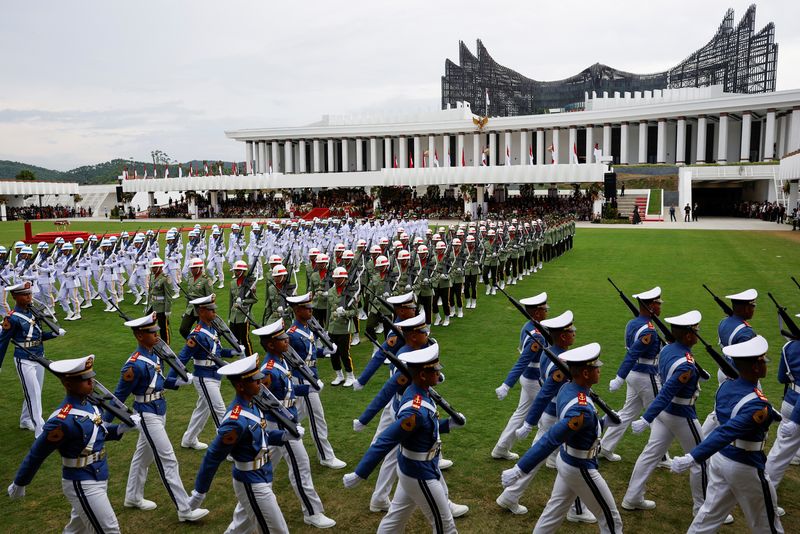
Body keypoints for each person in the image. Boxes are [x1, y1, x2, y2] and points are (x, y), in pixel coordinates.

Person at [343, 343, 467, 533]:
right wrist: (359, 473)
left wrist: (448, 424)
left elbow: (426, 427)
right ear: (422, 375)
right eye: (434, 370)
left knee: (394, 521)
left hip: (415, 468)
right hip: (420, 473)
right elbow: (385, 440)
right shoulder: (414, 409)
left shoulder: (421, 393)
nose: (438, 373)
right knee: (445, 525)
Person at [501, 342, 624, 533]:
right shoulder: (580, 407)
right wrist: (519, 470)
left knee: (553, 513)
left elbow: (583, 428)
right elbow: (550, 439)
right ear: (585, 373)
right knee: (611, 519)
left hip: (568, 459)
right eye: (596, 368)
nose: (599, 370)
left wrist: (603, 422)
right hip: (580, 465)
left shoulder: (569, 389)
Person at [7, 355, 137, 533]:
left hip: (98, 473)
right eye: (85, 380)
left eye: (91, 377)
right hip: (81, 481)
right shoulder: (61, 420)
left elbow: (94, 436)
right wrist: (20, 482)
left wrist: (120, 429)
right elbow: (37, 453)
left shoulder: (90, 404)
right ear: (68, 385)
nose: (91, 382)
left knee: (76, 530)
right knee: (110, 530)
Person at [623, 310, 731, 523]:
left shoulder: (668, 350)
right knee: (701, 459)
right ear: (689, 335)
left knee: (650, 454)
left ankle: (632, 497)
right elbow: (666, 392)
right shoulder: (685, 364)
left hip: (666, 413)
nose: (698, 334)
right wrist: (646, 419)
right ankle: (702, 508)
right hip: (681, 413)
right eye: (696, 331)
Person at [673, 336, 784, 533]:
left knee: (708, 516)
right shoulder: (758, 404)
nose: (766, 366)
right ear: (756, 368)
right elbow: (727, 431)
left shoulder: (726, 386)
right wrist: (692, 457)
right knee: (767, 523)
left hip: (721, 459)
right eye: (763, 362)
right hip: (746, 464)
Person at [107, 312, 208, 522]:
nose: (157, 335)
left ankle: (133, 496)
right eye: (152, 333)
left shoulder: (153, 354)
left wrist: (180, 381)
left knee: (142, 456)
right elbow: (118, 396)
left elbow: (157, 384)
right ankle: (184, 509)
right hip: (146, 414)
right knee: (168, 459)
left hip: (159, 409)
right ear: (139, 336)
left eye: (156, 332)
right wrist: (104, 423)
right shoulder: (133, 365)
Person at [189, 355, 295, 533]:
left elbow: (259, 435)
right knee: (277, 530)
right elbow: (212, 457)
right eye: (255, 381)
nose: (260, 384)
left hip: (263, 473)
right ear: (240, 386)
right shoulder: (234, 421)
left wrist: (284, 436)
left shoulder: (252, 403)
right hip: (251, 481)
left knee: (240, 529)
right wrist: (199, 493)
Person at [253, 319, 336, 528]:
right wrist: (288, 424)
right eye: (281, 339)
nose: (287, 340)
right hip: (281, 425)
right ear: (271, 345)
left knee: (263, 469)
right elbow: (266, 403)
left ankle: (250, 502)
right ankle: (312, 512)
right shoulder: (269, 370)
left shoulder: (281, 361)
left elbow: (287, 393)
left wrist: (309, 389)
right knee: (301, 467)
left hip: (286, 422)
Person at [600, 287, 668, 464]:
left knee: (627, 413)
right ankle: (660, 456)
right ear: (652, 306)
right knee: (658, 415)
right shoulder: (648, 330)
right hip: (647, 376)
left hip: (634, 375)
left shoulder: (633, 324)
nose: (661, 307)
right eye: (658, 304)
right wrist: (618, 378)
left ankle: (605, 447)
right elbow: (632, 354)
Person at [173, 294, 243, 450]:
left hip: (215, 375)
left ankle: (189, 439)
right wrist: (172, 378)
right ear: (201, 312)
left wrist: (233, 352)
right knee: (220, 410)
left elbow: (216, 352)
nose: (214, 313)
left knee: (203, 409)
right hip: (204, 377)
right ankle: (228, 448)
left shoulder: (212, 329)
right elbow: (182, 357)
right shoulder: (196, 334)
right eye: (211, 310)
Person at [286, 292, 347, 469]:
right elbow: (292, 362)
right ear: (298, 310)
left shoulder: (307, 328)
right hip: (304, 381)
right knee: (317, 419)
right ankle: (326, 456)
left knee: (293, 416)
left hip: (311, 377)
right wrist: (308, 382)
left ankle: (272, 439)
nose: (311, 310)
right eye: (307, 308)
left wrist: (325, 352)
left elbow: (309, 355)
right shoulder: (292, 334)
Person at [0, 281, 66, 438]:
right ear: (15, 297)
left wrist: (53, 334)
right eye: (25, 294)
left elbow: (38, 337)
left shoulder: (33, 312)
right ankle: (40, 430)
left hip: (39, 356)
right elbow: (3, 342)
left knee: (35, 391)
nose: (29, 297)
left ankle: (25, 420)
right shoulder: (12, 318)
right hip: (24, 359)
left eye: (29, 294)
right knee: (34, 392)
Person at [492, 292, 549, 463]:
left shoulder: (529, 326)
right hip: (535, 380)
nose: (547, 311)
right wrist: (506, 385)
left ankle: (501, 448)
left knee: (520, 414)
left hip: (529, 379)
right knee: (547, 417)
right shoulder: (536, 335)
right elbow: (522, 361)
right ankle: (538, 456)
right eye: (545, 309)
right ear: (537, 312)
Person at [701, 288, 758, 437]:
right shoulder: (746, 332)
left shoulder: (724, 322)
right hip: (740, 375)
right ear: (745, 308)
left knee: (719, 410)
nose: (754, 309)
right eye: (752, 306)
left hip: (725, 369)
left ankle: (700, 437)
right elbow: (750, 359)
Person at [764, 311, 800, 496]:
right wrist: (795, 420)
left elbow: (781, 377)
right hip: (798, 410)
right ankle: (765, 493)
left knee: (783, 448)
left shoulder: (789, 347)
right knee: (779, 455)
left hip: (789, 401)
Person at [324, 266, 358, 387]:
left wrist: (345, 313)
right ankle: (339, 375)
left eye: (339, 278)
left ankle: (350, 375)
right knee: (333, 353)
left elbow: (355, 312)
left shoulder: (350, 292)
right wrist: (326, 328)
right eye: (335, 278)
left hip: (345, 327)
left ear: (344, 279)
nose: (337, 280)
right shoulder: (331, 292)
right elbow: (328, 310)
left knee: (344, 353)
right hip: (333, 327)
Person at [178, 258, 214, 339]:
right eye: (191, 268)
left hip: (202, 309)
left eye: (194, 268)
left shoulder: (206, 280)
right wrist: (186, 309)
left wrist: (209, 312)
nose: (192, 270)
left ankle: (204, 347)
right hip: (191, 309)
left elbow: (210, 297)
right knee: (183, 329)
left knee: (203, 331)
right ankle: (193, 342)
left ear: (200, 268)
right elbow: (189, 296)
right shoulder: (190, 279)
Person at [230, 260, 257, 355]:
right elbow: (230, 300)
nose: (235, 272)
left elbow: (254, 299)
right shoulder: (233, 283)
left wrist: (243, 302)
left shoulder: (249, 283)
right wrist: (230, 316)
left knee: (245, 340)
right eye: (235, 270)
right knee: (235, 340)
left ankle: (250, 357)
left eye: (237, 270)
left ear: (243, 271)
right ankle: (241, 358)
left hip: (244, 316)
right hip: (234, 316)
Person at [145, 257, 172, 344]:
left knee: (163, 328)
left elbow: (168, 296)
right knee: (147, 324)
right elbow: (150, 293)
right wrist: (148, 306)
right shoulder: (152, 277)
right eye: (152, 267)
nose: (152, 269)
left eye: (154, 267)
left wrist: (167, 310)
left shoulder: (165, 278)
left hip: (161, 307)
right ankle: (152, 340)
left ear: (160, 267)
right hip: (153, 305)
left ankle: (166, 346)